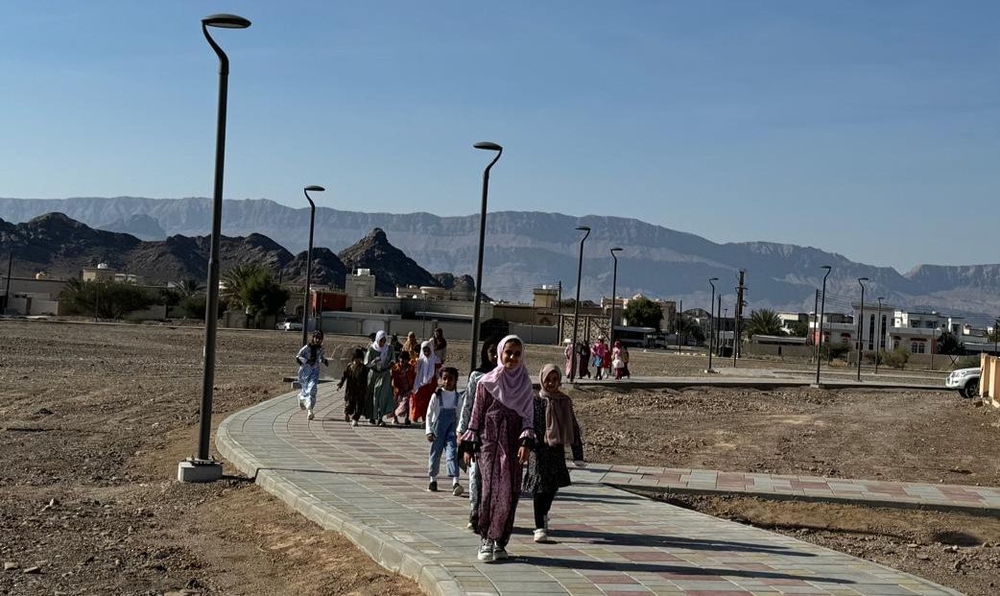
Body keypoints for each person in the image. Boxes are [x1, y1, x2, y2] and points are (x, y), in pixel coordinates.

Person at [459, 335, 535, 563]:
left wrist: (526, 443)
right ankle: (486, 539)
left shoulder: (525, 385)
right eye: (508, 352)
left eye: (517, 354)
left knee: (510, 492)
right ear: (501, 353)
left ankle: (500, 541)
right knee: (489, 491)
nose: (512, 357)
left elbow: (528, 418)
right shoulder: (486, 382)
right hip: (489, 445)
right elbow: (476, 414)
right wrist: (468, 445)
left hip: (513, 446)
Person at [523, 364, 584, 543]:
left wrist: (578, 454)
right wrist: (527, 445)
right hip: (538, 450)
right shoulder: (536, 401)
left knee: (551, 488)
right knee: (539, 488)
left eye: (554, 379)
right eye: (548, 380)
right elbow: (530, 425)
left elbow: (573, 426)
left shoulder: (564, 401)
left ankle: (543, 515)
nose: (551, 383)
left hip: (556, 450)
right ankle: (539, 527)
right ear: (542, 380)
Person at [457, 336, 499, 532]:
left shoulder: (506, 376)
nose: (494, 357)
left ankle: (488, 514)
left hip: (498, 432)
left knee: (494, 477)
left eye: (497, 353)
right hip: (477, 430)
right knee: (475, 474)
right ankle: (474, 512)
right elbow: (468, 403)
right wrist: (462, 430)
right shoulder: (477, 376)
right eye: (491, 352)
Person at [426, 366, 464, 495]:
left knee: (452, 453)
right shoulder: (436, 396)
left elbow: (459, 416)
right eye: (445, 378)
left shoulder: (458, 397)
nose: (447, 381)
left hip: (451, 431)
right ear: (441, 380)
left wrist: (459, 432)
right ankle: (433, 479)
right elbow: (429, 414)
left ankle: (455, 482)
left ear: (455, 380)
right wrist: (429, 431)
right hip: (437, 430)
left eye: (451, 379)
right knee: (435, 453)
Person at [295, 330, 329, 421]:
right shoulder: (306, 348)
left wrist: (324, 360)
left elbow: (319, 358)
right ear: (313, 338)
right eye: (316, 338)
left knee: (312, 389)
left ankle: (310, 410)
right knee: (306, 390)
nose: (318, 340)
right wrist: (306, 361)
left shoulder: (320, 349)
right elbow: (298, 356)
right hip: (305, 372)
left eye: (320, 338)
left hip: (314, 372)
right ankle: (301, 398)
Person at [365, 330, 395, 426]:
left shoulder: (389, 348)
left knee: (382, 396)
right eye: (381, 340)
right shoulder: (372, 349)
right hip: (374, 375)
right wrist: (374, 362)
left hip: (384, 374)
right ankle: (372, 416)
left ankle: (380, 417)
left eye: (384, 340)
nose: (382, 343)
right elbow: (367, 363)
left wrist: (389, 366)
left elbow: (393, 360)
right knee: (373, 396)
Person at [411, 340, 439, 423]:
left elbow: (438, 372)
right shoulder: (420, 360)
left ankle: (425, 417)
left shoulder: (435, 360)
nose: (426, 353)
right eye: (424, 351)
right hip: (420, 383)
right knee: (418, 399)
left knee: (428, 401)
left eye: (428, 351)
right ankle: (417, 415)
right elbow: (415, 371)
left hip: (430, 384)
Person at [338, 348, 367, 426]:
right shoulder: (349, 366)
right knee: (350, 405)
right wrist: (341, 383)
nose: (357, 360)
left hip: (360, 390)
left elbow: (365, 380)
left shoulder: (363, 368)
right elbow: (345, 376)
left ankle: (355, 419)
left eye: (359, 358)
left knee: (359, 406)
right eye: (356, 358)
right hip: (350, 389)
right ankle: (347, 413)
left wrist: (365, 389)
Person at [391, 350, 415, 425]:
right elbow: (392, 378)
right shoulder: (395, 367)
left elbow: (413, 378)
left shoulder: (411, 368)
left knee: (406, 404)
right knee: (395, 403)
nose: (402, 362)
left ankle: (407, 418)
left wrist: (412, 387)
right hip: (397, 388)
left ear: (407, 360)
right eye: (401, 360)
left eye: (404, 360)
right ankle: (395, 418)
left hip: (407, 388)